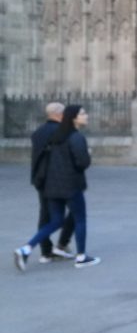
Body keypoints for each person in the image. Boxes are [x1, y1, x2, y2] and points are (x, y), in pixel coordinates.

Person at [14, 105, 100, 270]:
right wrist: (88, 154)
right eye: (82, 113)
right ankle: (81, 256)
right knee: (80, 218)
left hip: (52, 185)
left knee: (55, 221)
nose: (86, 116)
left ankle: (26, 249)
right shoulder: (76, 137)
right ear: (73, 117)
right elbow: (82, 163)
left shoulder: (56, 138)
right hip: (71, 185)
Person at [30, 101, 76, 262]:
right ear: (59, 115)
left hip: (40, 178)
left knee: (45, 213)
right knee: (76, 211)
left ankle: (45, 251)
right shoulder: (63, 132)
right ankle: (62, 245)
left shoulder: (38, 132)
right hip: (59, 179)